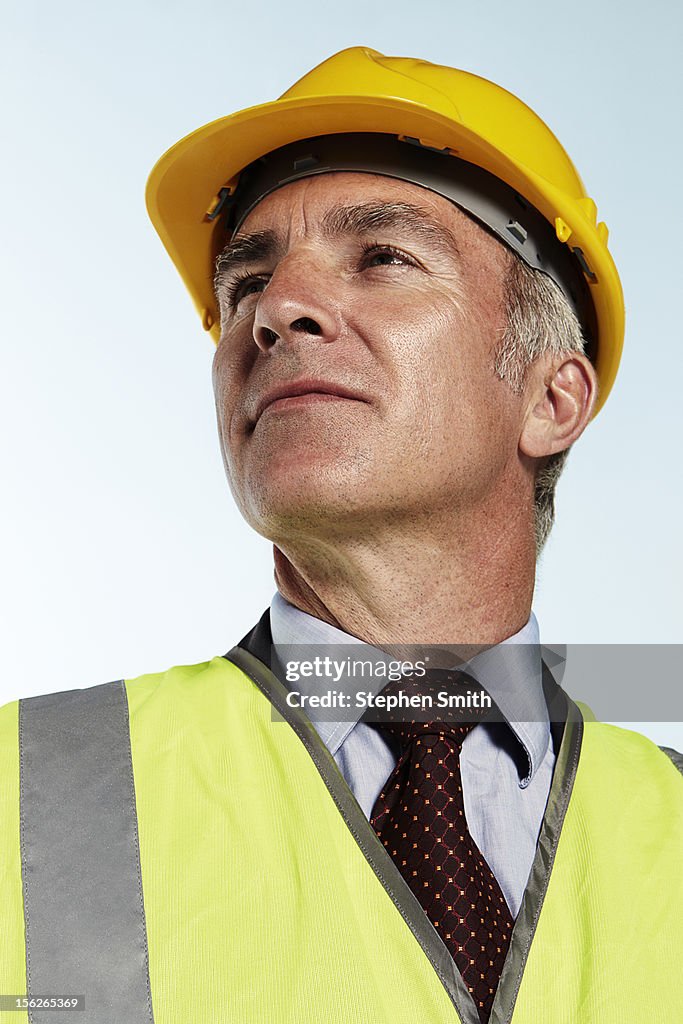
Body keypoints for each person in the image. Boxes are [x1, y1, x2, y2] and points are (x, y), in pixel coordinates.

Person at [1, 46, 681, 1024]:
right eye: (244, 286)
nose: (274, 312)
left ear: (549, 396)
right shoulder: (20, 791)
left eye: (382, 258)